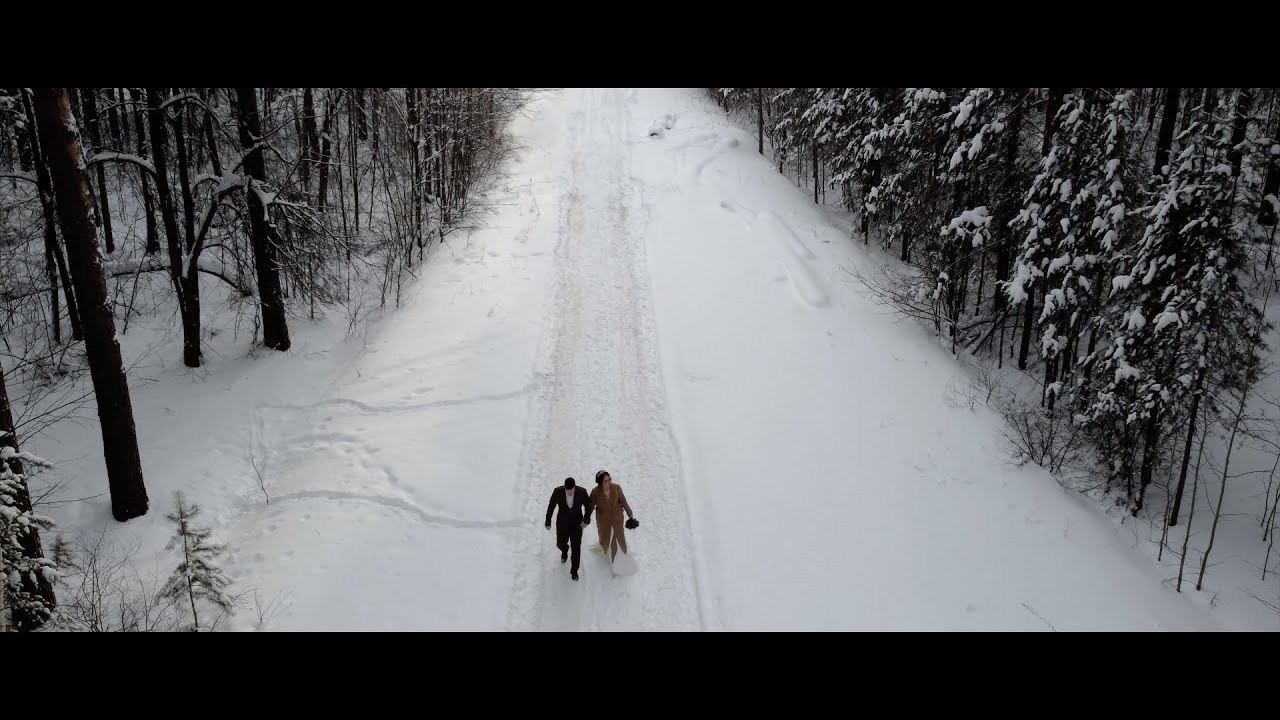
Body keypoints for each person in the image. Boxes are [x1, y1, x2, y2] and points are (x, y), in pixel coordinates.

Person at [545, 477, 592, 581]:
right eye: (567, 490)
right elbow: (551, 506)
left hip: (577, 525)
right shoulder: (557, 492)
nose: (570, 492)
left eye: (571, 490)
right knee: (560, 543)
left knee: (576, 548)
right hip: (562, 523)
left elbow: (589, 505)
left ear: (575, 487)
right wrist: (548, 521)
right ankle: (565, 550)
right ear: (564, 487)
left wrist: (586, 519)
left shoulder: (581, 492)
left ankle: (574, 571)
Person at [588, 470, 635, 563]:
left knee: (617, 536)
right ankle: (606, 550)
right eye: (605, 481)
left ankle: (617, 557)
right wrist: (586, 519)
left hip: (617, 517)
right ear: (600, 483)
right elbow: (590, 507)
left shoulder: (617, 488)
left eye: (609, 479)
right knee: (605, 536)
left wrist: (630, 513)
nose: (609, 482)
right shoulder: (595, 492)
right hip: (603, 520)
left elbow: (623, 501)